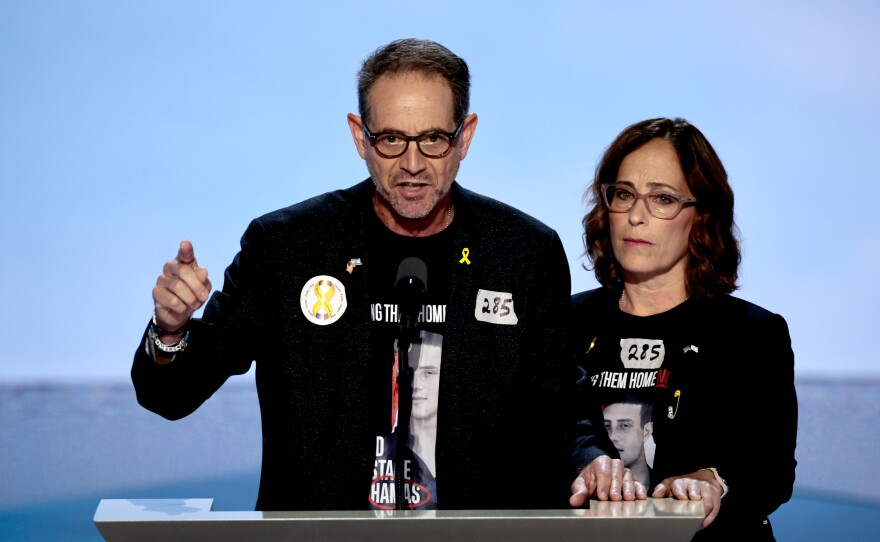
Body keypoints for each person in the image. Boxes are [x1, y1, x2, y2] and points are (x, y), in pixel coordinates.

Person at [133, 38, 624, 512]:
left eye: (433, 139)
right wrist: (171, 331)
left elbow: (560, 403)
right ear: (359, 136)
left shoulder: (522, 253)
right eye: (391, 139)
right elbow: (170, 395)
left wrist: (591, 458)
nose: (412, 165)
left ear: (465, 136)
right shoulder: (286, 247)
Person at [571, 117, 797, 540]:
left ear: (701, 216)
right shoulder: (563, 322)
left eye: (662, 199)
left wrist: (711, 479)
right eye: (624, 195)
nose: (637, 216)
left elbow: (771, 470)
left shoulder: (750, 332)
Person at [603, 399, 653, 488]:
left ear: (646, 431)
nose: (612, 437)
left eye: (625, 425)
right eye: (606, 426)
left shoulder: (668, 488)